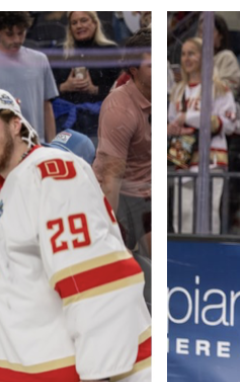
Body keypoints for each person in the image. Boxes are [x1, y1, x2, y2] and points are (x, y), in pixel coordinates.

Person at [0, 86, 151, 382]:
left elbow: (97, 276)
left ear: (15, 124)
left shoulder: (52, 173)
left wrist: (96, 375)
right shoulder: (5, 184)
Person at [168, 36, 239, 234]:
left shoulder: (219, 88)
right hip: (184, 157)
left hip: (213, 158)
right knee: (183, 214)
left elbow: (227, 123)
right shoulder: (177, 90)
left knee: (209, 214)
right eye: (183, 54)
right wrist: (174, 128)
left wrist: (186, 117)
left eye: (191, 53)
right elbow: (172, 122)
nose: (186, 58)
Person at [96, 30, 151, 251]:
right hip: (119, 196)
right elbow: (111, 179)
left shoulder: (165, 94)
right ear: (134, 70)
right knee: (118, 268)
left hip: (147, 194)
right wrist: (109, 232)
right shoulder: (119, 108)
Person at [0, 12, 59, 142]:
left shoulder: (40, 60)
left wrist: (53, 144)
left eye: (21, 33)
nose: (16, 40)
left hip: (36, 143)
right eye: (9, 34)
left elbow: (46, 106)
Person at [52, 11, 121, 138]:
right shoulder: (58, 53)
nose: (79, 26)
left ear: (94, 23)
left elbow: (120, 90)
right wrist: (64, 87)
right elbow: (47, 90)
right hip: (65, 121)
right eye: (74, 23)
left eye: (84, 20)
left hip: (99, 120)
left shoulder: (111, 51)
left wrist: (95, 90)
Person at [206, 14, 240, 95]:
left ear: (220, 35)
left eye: (210, 31)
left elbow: (229, 89)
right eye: (202, 31)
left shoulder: (227, 57)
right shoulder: (194, 59)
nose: (204, 36)